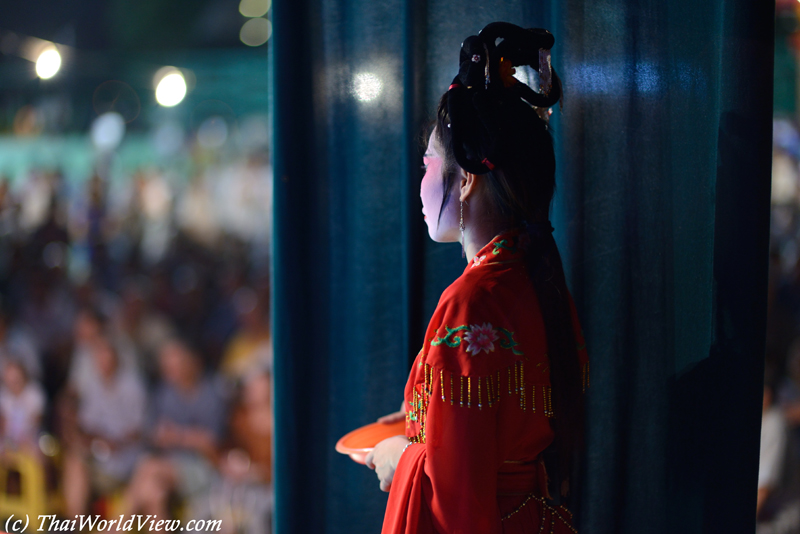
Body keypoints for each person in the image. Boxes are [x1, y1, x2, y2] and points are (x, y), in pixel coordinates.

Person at [364, 22, 588, 534]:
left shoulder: (473, 302)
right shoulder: (532, 275)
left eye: (427, 166)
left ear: (464, 180)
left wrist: (401, 456)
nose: (420, 185)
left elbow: (454, 493)